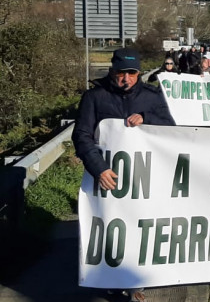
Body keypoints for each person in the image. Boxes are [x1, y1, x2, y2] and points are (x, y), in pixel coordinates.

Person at [72, 48, 176, 302]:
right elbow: (81, 136)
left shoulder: (153, 97)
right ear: (112, 71)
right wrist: (99, 169)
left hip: (145, 180)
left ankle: (135, 282)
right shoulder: (94, 97)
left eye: (132, 73)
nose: (126, 78)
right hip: (107, 179)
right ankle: (111, 278)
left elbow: (173, 128)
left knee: (140, 226)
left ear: (139, 73)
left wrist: (148, 118)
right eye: (121, 73)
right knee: (111, 227)